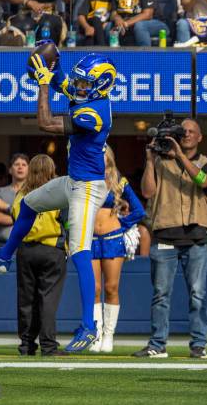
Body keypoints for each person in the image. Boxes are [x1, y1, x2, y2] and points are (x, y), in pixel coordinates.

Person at [0, 48, 116, 352]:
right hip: (73, 181)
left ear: (101, 85)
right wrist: (54, 60)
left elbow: (45, 122)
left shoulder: (94, 113)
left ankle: (89, 327)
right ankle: (4, 255)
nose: (78, 87)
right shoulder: (87, 96)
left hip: (88, 187)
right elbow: (63, 80)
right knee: (28, 203)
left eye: (85, 84)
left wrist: (41, 82)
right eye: (80, 83)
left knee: (79, 251)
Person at [134, 118, 207, 359]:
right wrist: (149, 160)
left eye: (192, 131)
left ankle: (199, 345)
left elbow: (205, 181)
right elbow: (147, 192)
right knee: (160, 294)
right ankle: (157, 344)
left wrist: (179, 155)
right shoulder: (159, 162)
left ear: (200, 137)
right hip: (164, 234)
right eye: (183, 131)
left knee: (197, 294)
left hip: (195, 237)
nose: (187, 134)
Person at [90, 146, 145, 353]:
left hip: (113, 239)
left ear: (109, 158)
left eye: (102, 154)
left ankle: (108, 335)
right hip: (90, 239)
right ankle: (94, 334)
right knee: (93, 289)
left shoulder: (119, 181)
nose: (99, 158)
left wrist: (120, 224)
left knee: (111, 287)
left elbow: (139, 210)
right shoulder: (83, 179)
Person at [14, 154, 68, 357]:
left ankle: (26, 345)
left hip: (26, 250)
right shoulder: (59, 193)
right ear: (51, 170)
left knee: (26, 300)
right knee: (48, 300)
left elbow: (14, 218)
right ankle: (49, 346)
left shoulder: (21, 195)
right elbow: (68, 221)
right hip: (51, 249)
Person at [2, 0, 71, 46]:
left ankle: (46, 59)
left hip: (49, 13)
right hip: (26, 12)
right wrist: (27, 1)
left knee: (47, 25)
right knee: (23, 27)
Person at [0, 154, 29, 243]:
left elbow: (36, 219)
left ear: (29, 170)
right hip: (4, 245)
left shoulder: (33, 193)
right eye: (16, 164)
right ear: (10, 170)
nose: (20, 167)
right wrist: (23, 219)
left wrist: (7, 207)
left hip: (27, 247)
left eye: (24, 165)